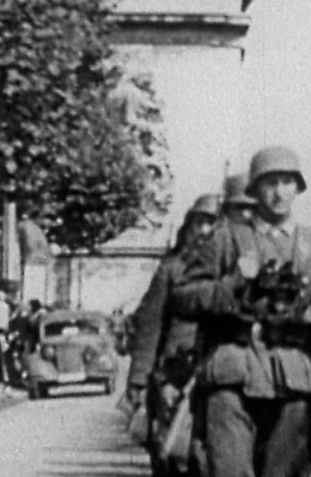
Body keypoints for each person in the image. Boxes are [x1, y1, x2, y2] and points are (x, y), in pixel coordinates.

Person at [176, 146, 311, 477]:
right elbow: (183, 297)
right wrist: (231, 284)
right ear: (255, 190)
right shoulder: (227, 239)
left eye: (286, 182)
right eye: (269, 183)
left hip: (292, 378)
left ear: (298, 188)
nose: (279, 193)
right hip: (233, 373)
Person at [128, 193, 221, 476]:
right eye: (199, 223)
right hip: (174, 376)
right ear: (188, 227)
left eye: (213, 224)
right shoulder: (171, 270)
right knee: (169, 453)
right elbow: (150, 327)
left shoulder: (230, 272)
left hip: (217, 374)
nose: (204, 231)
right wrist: (138, 379)